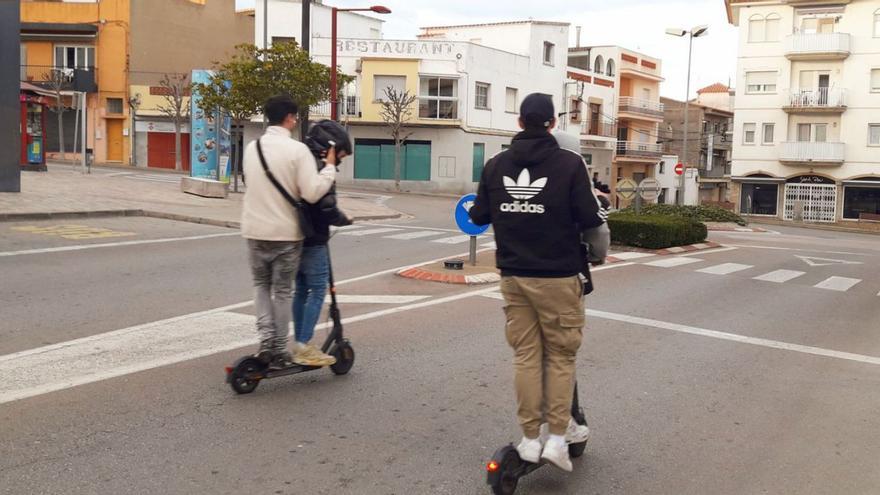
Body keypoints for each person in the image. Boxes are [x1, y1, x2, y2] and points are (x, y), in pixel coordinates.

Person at [469, 93, 606, 472]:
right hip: (558, 277)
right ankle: (558, 440)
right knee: (560, 357)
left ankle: (530, 440)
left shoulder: (495, 166)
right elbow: (591, 218)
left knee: (526, 356)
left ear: (518, 122)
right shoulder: (569, 164)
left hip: (514, 276)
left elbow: (479, 214)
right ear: (552, 124)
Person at [241, 95, 338, 369]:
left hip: (254, 231)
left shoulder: (252, 148)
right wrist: (329, 168)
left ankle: (266, 342)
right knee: (283, 291)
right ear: (289, 118)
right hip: (285, 235)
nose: (295, 121)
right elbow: (312, 192)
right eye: (295, 117)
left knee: (261, 286)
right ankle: (280, 349)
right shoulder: (297, 151)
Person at [291, 120, 354, 367]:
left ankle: (299, 341)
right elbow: (326, 208)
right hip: (315, 239)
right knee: (318, 289)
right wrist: (345, 219)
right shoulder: (322, 169)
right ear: (329, 148)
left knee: (301, 290)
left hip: (295, 237)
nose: (339, 160)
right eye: (340, 154)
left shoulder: (300, 162)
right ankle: (304, 345)